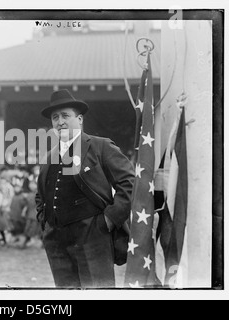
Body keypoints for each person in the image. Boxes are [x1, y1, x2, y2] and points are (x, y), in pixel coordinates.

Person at [36, 89, 135, 288]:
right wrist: (44, 222)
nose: (60, 121)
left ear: (79, 119)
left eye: (65, 115)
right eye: (55, 117)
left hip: (93, 237)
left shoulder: (100, 147)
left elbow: (129, 182)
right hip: (56, 240)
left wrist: (109, 220)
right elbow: (40, 195)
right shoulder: (49, 156)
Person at [22, 180, 41, 249]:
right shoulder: (29, 194)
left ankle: (28, 241)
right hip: (29, 213)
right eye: (30, 184)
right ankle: (26, 241)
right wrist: (24, 211)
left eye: (33, 184)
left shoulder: (39, 193)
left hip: (36, 212)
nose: (31, 186)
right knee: (28, 227)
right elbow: (27, 204)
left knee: (34, 228)